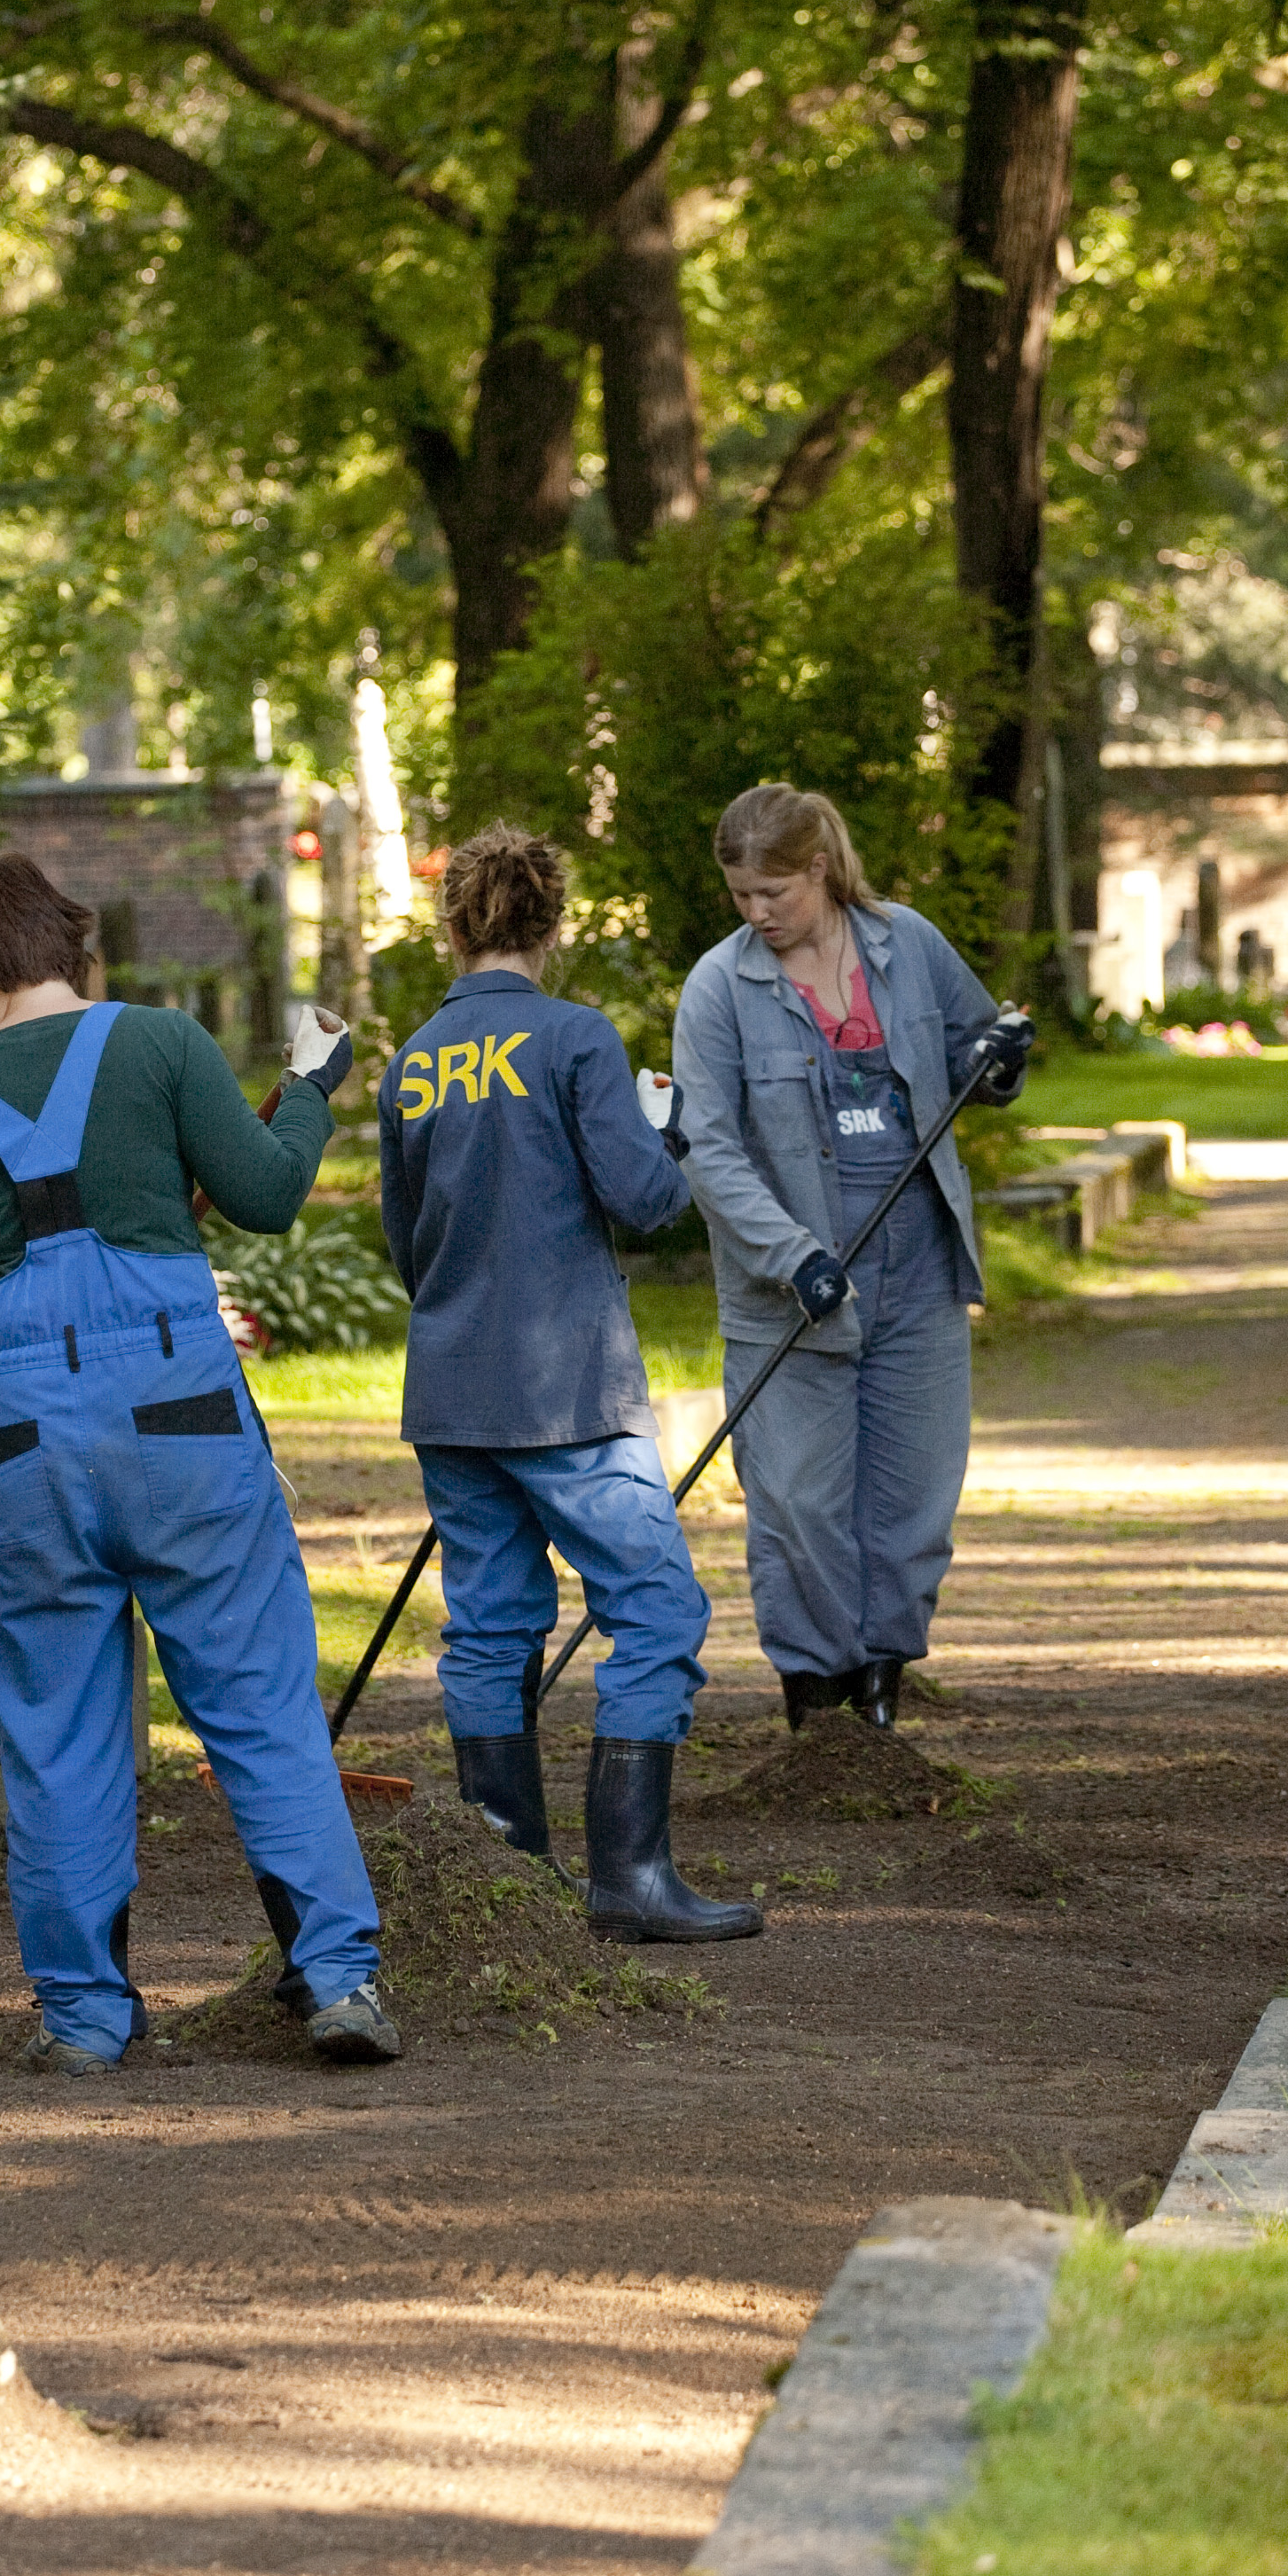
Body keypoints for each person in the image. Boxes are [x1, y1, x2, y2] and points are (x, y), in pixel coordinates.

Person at [0, 847, 396, 2076]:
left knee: (58, 1728)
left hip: (18, 1450)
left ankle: (83, 2019)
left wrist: (26, 1350)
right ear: (73, 948)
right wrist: (312, 1082)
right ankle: (334, 1979)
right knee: (258, 1700)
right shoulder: (161, 1047)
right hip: (179, 1426)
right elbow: (265, 1194)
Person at [379, 822, 761, 1949]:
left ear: (452, 928)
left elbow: (408, 1242)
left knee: (489, 1629)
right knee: (655, 1608)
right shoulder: (575, 1041)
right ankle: (629, 1877)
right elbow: (644, 1201)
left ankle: (506, 1881)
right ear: (552, 926)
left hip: (450, 1387)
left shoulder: (413, 1061)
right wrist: (666, 1128)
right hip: (569, 1395)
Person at [671, 783, 1031, 1735]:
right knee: (796, 1502)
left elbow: (971, 1057)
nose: (756, 914)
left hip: (914, 1268)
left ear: (819, 871)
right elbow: (706, 1147)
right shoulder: (719, 987)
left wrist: (1000, 1057)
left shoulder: (905, 944)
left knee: (912, 1496)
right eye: (740, 896)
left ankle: (881, 1694)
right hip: (790, 1289)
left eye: (773, 894)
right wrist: (791, 1256)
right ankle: (814, 1710)